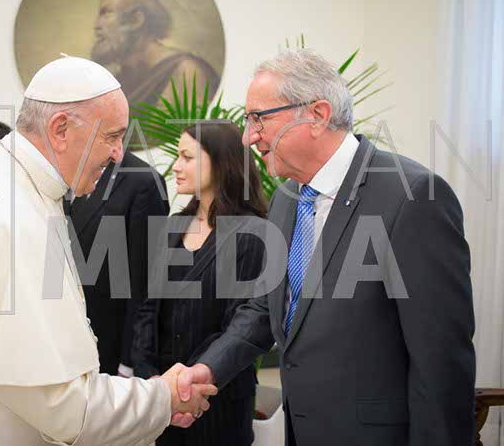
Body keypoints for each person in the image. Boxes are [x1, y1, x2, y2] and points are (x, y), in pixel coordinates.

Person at [0, 56, 217, 446]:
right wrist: (162, 397)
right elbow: (65, 409)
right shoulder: (12, 218)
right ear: (60, 129)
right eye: (112, 136)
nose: (118, 154)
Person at [176, 49, 476, 446]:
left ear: (316, 115)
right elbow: (265, 309)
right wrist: (208, 369)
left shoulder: (413, 196)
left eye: (258, 118)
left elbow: (441, 359)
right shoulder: (286, 199)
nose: (249, 137)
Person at [131, 122, 268, 446]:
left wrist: (189, 385)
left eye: (187, 157)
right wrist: (151, 376)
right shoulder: (174, 226)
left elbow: (240, 326)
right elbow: (147, 309)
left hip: (218, 402)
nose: (176, 166)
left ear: (221, 163)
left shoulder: (251, 233)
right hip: (164, 400)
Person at [63, 150, 170, 377]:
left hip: (111, 351)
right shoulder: (66, 169)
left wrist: (129, 362)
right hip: (67, 341)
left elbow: (145, 280)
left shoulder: (143, 181)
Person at [91, 0, 220, 109]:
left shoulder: (186, 71)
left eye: (106, 13)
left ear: (136, 20)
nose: (96, 26)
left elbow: (204, 122)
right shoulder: (120, 80)